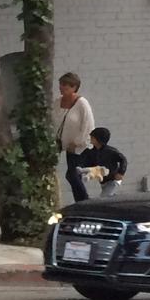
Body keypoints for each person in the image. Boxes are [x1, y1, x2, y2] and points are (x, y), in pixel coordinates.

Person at [55, 72, 96, 203]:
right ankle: (81, 201)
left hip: (80, 147)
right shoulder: (57, 102)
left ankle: (85, 202)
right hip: (65, 145)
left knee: (72, 174)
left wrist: (77, 142)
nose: (62, 88)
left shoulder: (82, 104)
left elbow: (88, 126)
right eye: (61, 84)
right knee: (72, 175)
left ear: (74, 87)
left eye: (65, 86)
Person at [75, 126, 127, 196]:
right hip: (104, 181)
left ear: (98, 139)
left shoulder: (110, 151)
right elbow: (87, 162)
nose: (90, 138)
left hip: (113, 179)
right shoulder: (91, 152)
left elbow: (123, 159)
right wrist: (82, 168)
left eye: (92, 137)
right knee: (108, 196)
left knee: (104, 197)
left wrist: (121, 173)